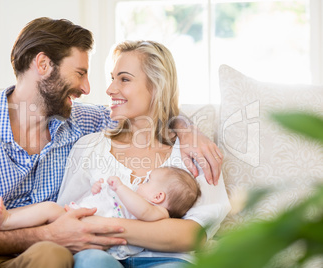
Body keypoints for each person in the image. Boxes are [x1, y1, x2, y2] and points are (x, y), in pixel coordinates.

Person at [0, 17, 223, 268]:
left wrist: (185, 128)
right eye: (80, 73)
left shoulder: (81, 123)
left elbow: (145, 113)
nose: (90, 87)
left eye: (121, 78)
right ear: (42, 65)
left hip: (21, 258)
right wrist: (50, 234)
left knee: (53, 256)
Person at [57, 40, 232, 267]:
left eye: (125, 79)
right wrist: (158, 228)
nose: (110, 89)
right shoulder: (89, 147)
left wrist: (102, 226)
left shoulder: (193, 151)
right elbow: (69, 222)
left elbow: (194, 234)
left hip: (168, 260)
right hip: (102, 257)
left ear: (156, 87)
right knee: (92, 261)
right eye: (112, 78)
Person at [0, 166, 200, 231]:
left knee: (48, 209)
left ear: (158, 196)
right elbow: (105, 203)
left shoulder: (157, 212)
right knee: (47, 208)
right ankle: (9, 217)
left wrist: (120, 187)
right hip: (79, 214)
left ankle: (8, 222)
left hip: (85, 226)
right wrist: (98, 190)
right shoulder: (138, 200)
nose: (140, 183)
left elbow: (142, 211)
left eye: (147, 180)